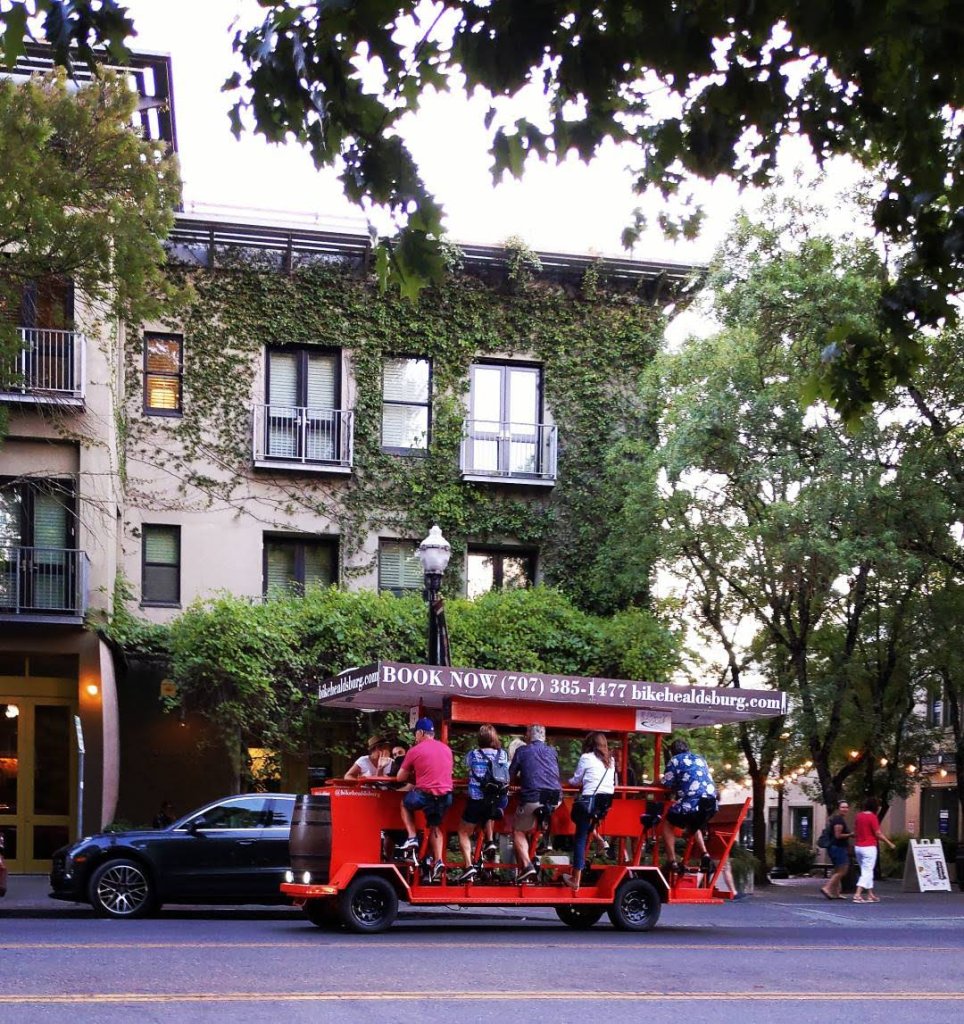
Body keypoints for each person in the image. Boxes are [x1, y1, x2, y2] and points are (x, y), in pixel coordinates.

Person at [395, 717, 454, 882]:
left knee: (405, 804)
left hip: (425, 795)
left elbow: (400, 778)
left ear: (421, 733)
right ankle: (439, 861)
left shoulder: (415, 750)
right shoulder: (446, 749)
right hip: (446, 796)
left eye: (416, 733)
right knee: (435, 826)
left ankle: (412, 836)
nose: (415, 736)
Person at [563, 732, 617, 890]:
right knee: (585, 826)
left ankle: (575, 879)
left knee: (579, 835)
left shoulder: (586, 758)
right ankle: (600, 840)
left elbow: (576, 780)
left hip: (588, 803)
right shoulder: (611, 761)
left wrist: (568, 782)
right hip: (604, 804)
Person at [509, 723, 562, 883]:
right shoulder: (552, 751)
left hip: (532, 797)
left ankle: (527, 865)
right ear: (544, 736)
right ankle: (544, 830)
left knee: (518, 831)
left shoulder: (522, 751)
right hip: (555, 798)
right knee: (542, 812)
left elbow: (509, 775)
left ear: (528, 736)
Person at [457, 724, 510, 881]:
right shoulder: (503, 755)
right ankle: (490, 841)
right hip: (499, 802)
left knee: (463, 832)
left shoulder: (473, 754)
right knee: (489, 808)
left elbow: (465, 765)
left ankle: (468, 866)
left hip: (477, 800)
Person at [660, 738, 718, 874]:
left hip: (692, 803)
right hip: (710, 804)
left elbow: (666, 783)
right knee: (692, 822)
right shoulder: (700, 759)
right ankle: (705, 855)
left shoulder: (675, 760)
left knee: (667, 823)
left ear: (672, 752)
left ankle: (672, 861)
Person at [852, 796, 895, 903]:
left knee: (866, 870)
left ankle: (870, 894)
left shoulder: (858, 816)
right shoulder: (873, 817)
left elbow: (855, 832)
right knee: (867, 871)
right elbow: (878, 833)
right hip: (869, 847)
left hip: (858, 847)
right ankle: (857, 894)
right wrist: (889, 843)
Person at [820, 800, 853, 900]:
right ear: (838, 808)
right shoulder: (838, 820)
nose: (845, 809)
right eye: (843, 807)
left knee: (838, 870)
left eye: (846, 807)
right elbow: (838, 835)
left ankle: (836, 893)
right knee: (843, 870)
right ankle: (827, 888)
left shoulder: (837, 819)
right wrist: (850, 835)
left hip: (835, 848)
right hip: (838, 848)